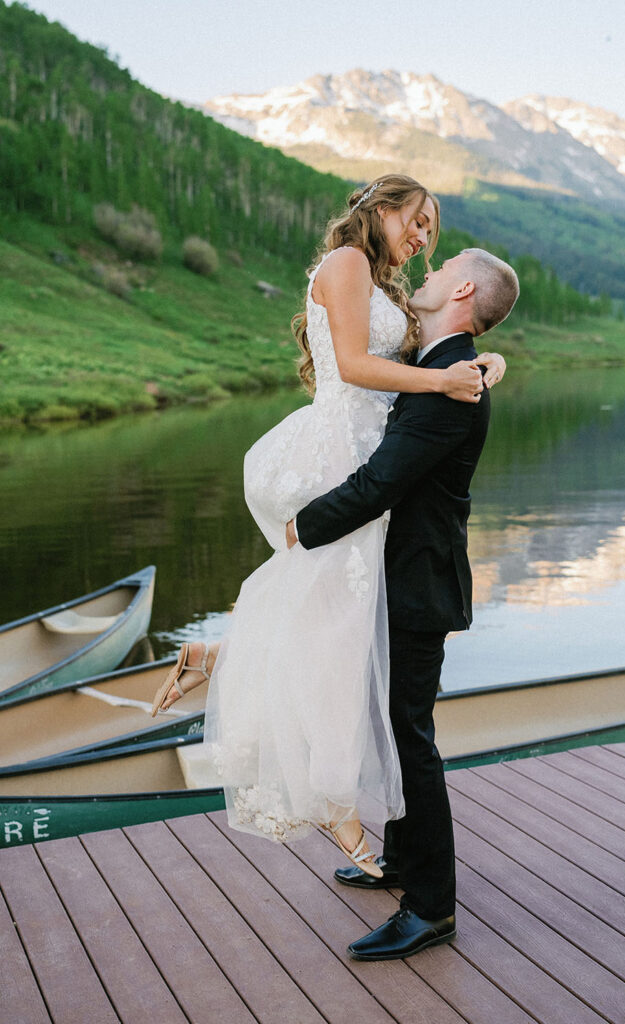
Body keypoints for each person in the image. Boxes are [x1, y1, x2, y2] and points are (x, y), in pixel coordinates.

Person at [151, 174, 507, 877]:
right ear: (380, 208)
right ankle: (340, 812)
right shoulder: (346, 264)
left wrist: (483, 358)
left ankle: (215, 659)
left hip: (372, 452)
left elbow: (422, 351)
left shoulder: (388, 288)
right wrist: (443, 380)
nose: (422, 239)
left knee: (338, 628)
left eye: (432, 232)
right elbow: (352, 364)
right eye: (417, 221)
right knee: (334, 621)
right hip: (341, 455)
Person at [288, 247, 519, 959]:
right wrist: (491, 357)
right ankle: (397, 860)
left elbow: (379, 484)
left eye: (438, 264)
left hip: (417, 586)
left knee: (410, 740)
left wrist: (300, 526)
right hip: (407, 576)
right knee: (393, 727)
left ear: (462, 288)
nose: (424, 271)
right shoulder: (445, 369)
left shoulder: (447, 388)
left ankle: (431, 908)